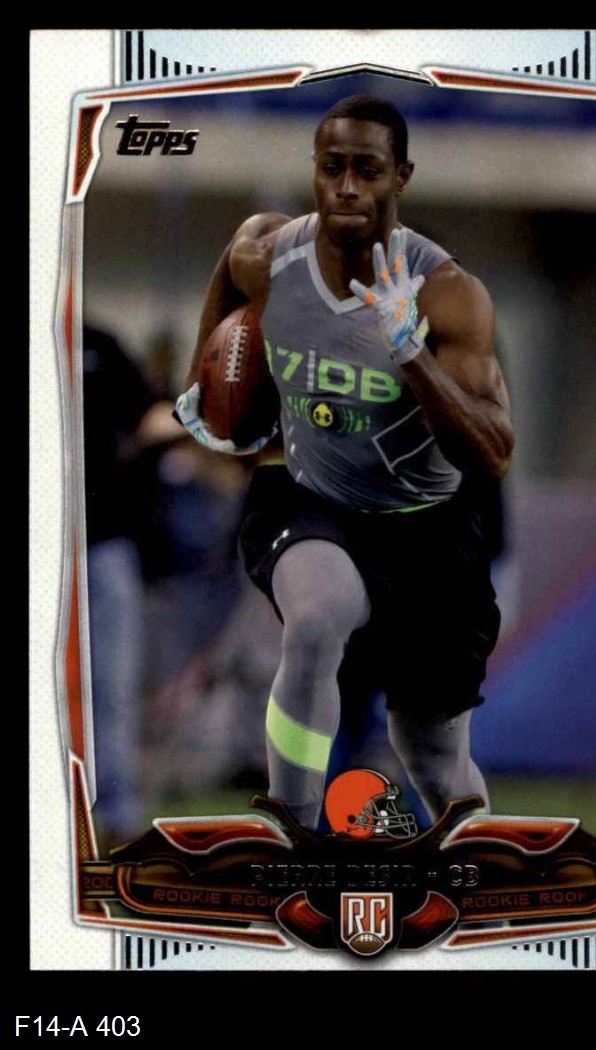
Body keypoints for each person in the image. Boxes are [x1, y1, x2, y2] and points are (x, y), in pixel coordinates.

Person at [176, 94, 514, 831]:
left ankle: (478, 856)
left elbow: (493, 450)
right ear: (315, 171)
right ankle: (291, 830)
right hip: (310, 495)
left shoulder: (448, 293)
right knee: (316, 616)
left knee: (431, 752)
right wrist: (214, 392)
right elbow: (232, 265)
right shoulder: (270, 258)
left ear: (401, 177)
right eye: (332, 169)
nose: (348, 188)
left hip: (426, 524)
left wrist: (409, 351)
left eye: (368, 170)